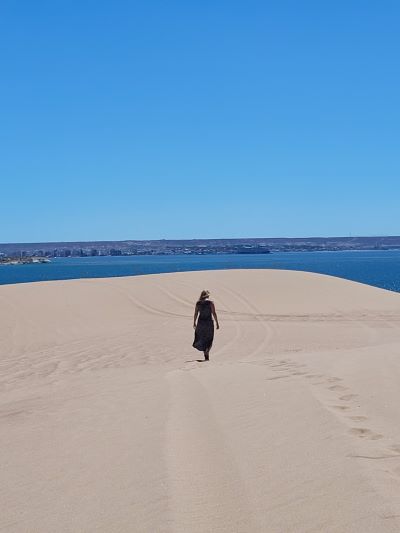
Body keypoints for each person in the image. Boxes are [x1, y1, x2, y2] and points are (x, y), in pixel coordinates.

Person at [192, 290, 219, 361]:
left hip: (200, 323)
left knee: (202, 338)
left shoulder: (198, 303)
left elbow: (196, 313)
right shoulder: (210, 303)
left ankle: (206, 356)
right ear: (207, 295)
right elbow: (214, 313)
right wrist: (217, 322)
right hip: (209, 323)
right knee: (210, 339)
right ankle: (207, 351)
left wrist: (194, 322)